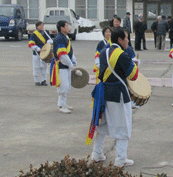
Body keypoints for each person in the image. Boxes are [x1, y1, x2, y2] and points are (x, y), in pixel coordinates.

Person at [87, 27, 139, 167]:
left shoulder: (103, 51)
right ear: (120, 40)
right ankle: (121, 158)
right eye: (126, 38)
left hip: (103, 93)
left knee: (102, 125)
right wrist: (135, 64)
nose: (128, 40)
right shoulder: (122, 54)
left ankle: (97, 153)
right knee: (123, 126)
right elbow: (133, 75)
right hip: (118, 93)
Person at [51, 20, 78, 114]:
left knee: (67, 86)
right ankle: (61, 105)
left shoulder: (65, 37)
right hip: (62, 66)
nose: (68, 27)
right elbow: (62, 55)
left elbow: (69, 51)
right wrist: (70, 64)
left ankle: (64, 103)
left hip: (66, 66)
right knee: (63, 86)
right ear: (62, 28)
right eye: (67, 26)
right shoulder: (59, 38)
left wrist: (73, 61)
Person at [28, 21, 52, 86]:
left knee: (44, 67)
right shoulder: (34, 34)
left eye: (42, 25)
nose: (42, 27)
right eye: (40, 25)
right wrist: (37, 48)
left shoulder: (45, 33)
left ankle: (44, 80)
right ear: (37, 26)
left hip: (44, 53)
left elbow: (49, 40)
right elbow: (31, 44)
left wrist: (49, 42)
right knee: (36, 67)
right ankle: (37, 81)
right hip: (37, 53)